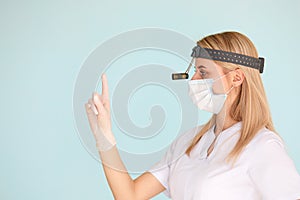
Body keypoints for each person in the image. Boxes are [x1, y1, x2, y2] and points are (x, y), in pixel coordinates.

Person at [85, 31, 300, 200]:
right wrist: (104, 137)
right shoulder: (188, 142)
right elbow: (129, 196)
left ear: (236, 78)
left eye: (203, 72)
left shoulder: (261, 146)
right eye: (195, 71)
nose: (194, 79)